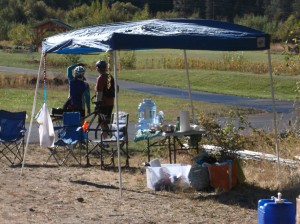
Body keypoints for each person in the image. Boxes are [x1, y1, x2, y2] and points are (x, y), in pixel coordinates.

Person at [95, 60, 115, 126]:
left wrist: (97, 104)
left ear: (98, 68)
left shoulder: (101, 78)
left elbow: (99, 92)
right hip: (111, 102)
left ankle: (105, 135)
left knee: (102, 123)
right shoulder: (110, 76)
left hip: (103, 103)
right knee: (107, 121)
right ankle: (108, 134)